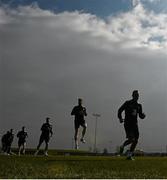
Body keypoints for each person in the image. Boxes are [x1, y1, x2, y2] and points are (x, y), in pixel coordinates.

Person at [118, 90, 146, 160]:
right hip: (127, 123)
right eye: (135, 95)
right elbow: (120, 110)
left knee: (136, 140)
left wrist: (143, 116)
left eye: (138, 95)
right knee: (131, 139)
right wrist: (120, 118)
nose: (137, 97)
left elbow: (140, 115)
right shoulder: (127, 103)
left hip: (135, 124)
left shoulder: (139, 105)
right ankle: (122, 146)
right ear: (132, 95)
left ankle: (129, 155)